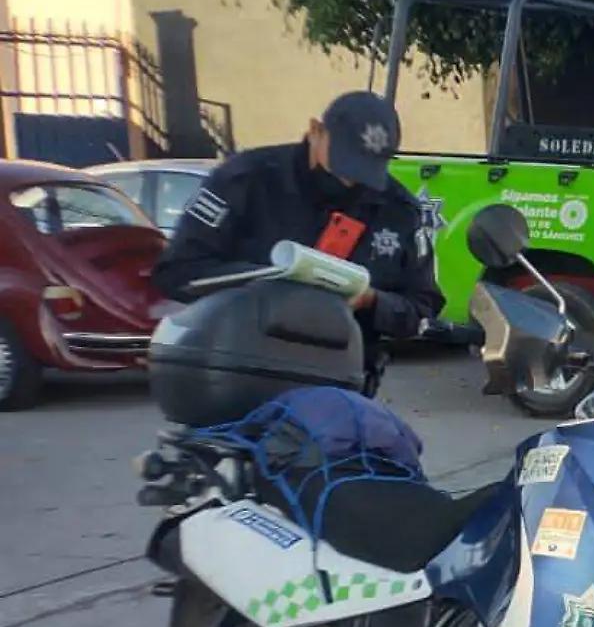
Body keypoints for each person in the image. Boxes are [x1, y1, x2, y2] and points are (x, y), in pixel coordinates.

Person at [152, 90, 444, 397]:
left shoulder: (397, 210)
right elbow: (177, 272)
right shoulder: (245, 180)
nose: (350, 181)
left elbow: (422, 308)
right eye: (344, 163)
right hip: (240, 376)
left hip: (340, 388)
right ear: (315, 131)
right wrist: (267, 285)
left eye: (364, 170)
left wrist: (372, 301)